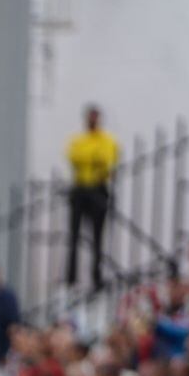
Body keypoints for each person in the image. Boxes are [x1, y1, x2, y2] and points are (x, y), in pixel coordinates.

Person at [65, 105, 118, 290]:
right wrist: (94, 160)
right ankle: (70, 277)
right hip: (80, 187)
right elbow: (74, 157)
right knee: (73, 235)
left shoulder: (107, 140)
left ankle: (96, 276)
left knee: (97, 237)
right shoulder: (78, 140)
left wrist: (94, 161)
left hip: (97, 188)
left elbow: (108, 160)